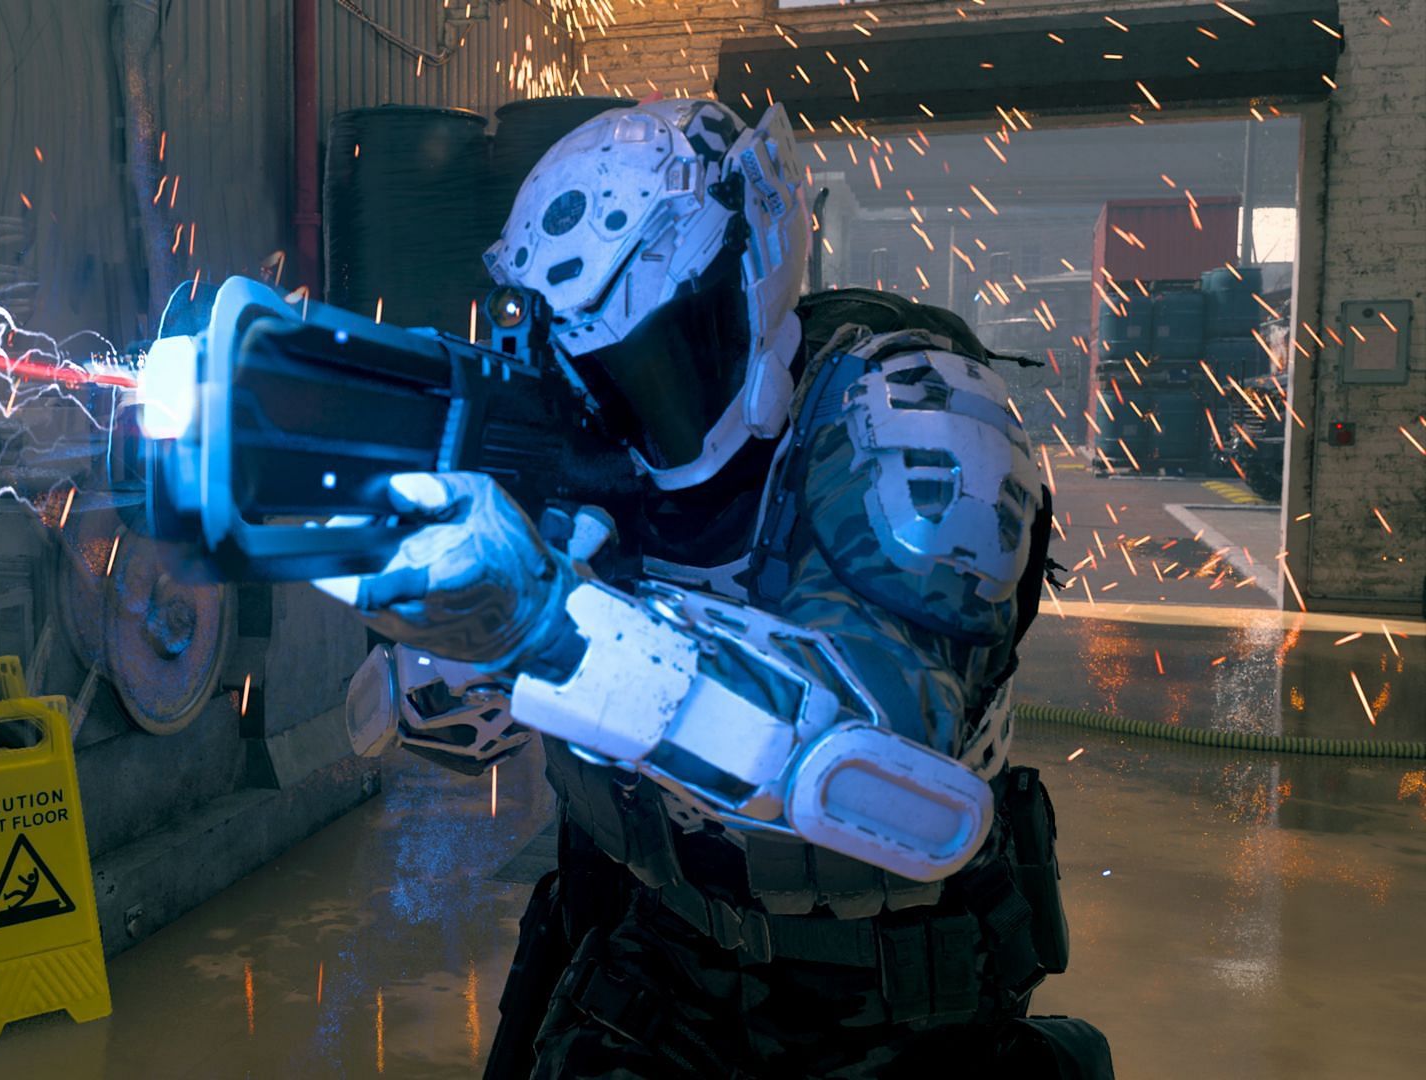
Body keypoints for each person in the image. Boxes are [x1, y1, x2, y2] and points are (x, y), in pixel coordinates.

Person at [318, 99, 1112, 1079]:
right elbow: (438, 734)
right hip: (655, 948)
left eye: (661, 351)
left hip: (884, 999)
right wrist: (446, 642)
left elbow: (892, 758)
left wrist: (553, 627)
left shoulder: (914, 417)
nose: (635, 400)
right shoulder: (584, 428)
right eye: (603, 370)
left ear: (752, 268)